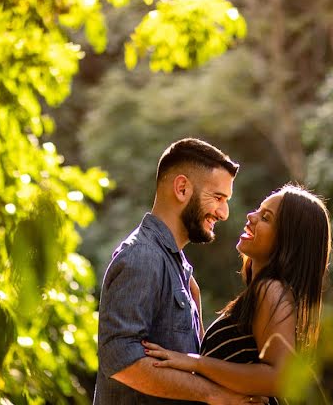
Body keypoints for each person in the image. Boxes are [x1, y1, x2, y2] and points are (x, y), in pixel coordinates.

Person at [94, 137, 268, 405]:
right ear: (182, 188)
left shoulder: (176, 266)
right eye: (218, 197)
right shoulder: (142, 256)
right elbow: (120, 359)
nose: (223, 213)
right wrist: (214, 394)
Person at [141, 184, 332, 405]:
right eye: (258, 210)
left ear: (288, 240)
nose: (251, 216)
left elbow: (281, 378)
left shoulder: (270, 290)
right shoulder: (261, 294)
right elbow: (230, 363)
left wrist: (195, 362)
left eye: (266, 218)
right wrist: (195, 305)